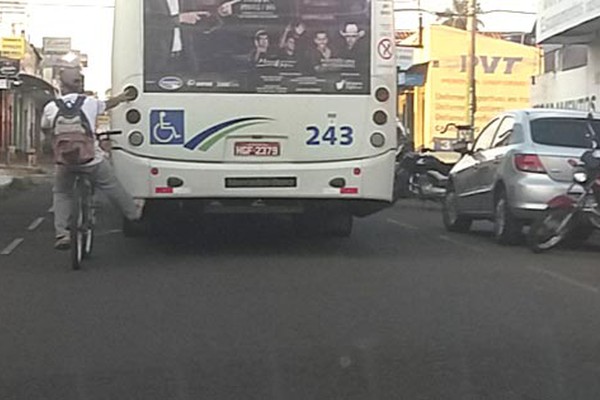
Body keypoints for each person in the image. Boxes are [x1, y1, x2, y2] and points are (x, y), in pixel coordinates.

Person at [41, 69, 141, 250]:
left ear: (61, 86)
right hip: (91, 160)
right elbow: (109, 104)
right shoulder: (90, 102)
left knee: (62, 193)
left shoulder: (51, 106)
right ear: (80, 85)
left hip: (65, 162)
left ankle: (62, 234)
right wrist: (124, 96)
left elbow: (45, 128)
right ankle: (133, 216)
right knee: (111, 185)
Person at [144, 0, 210, 74]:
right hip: (157, 61)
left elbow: (194, 18)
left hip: (185, 59)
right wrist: (179, 19)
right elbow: (144, 22)